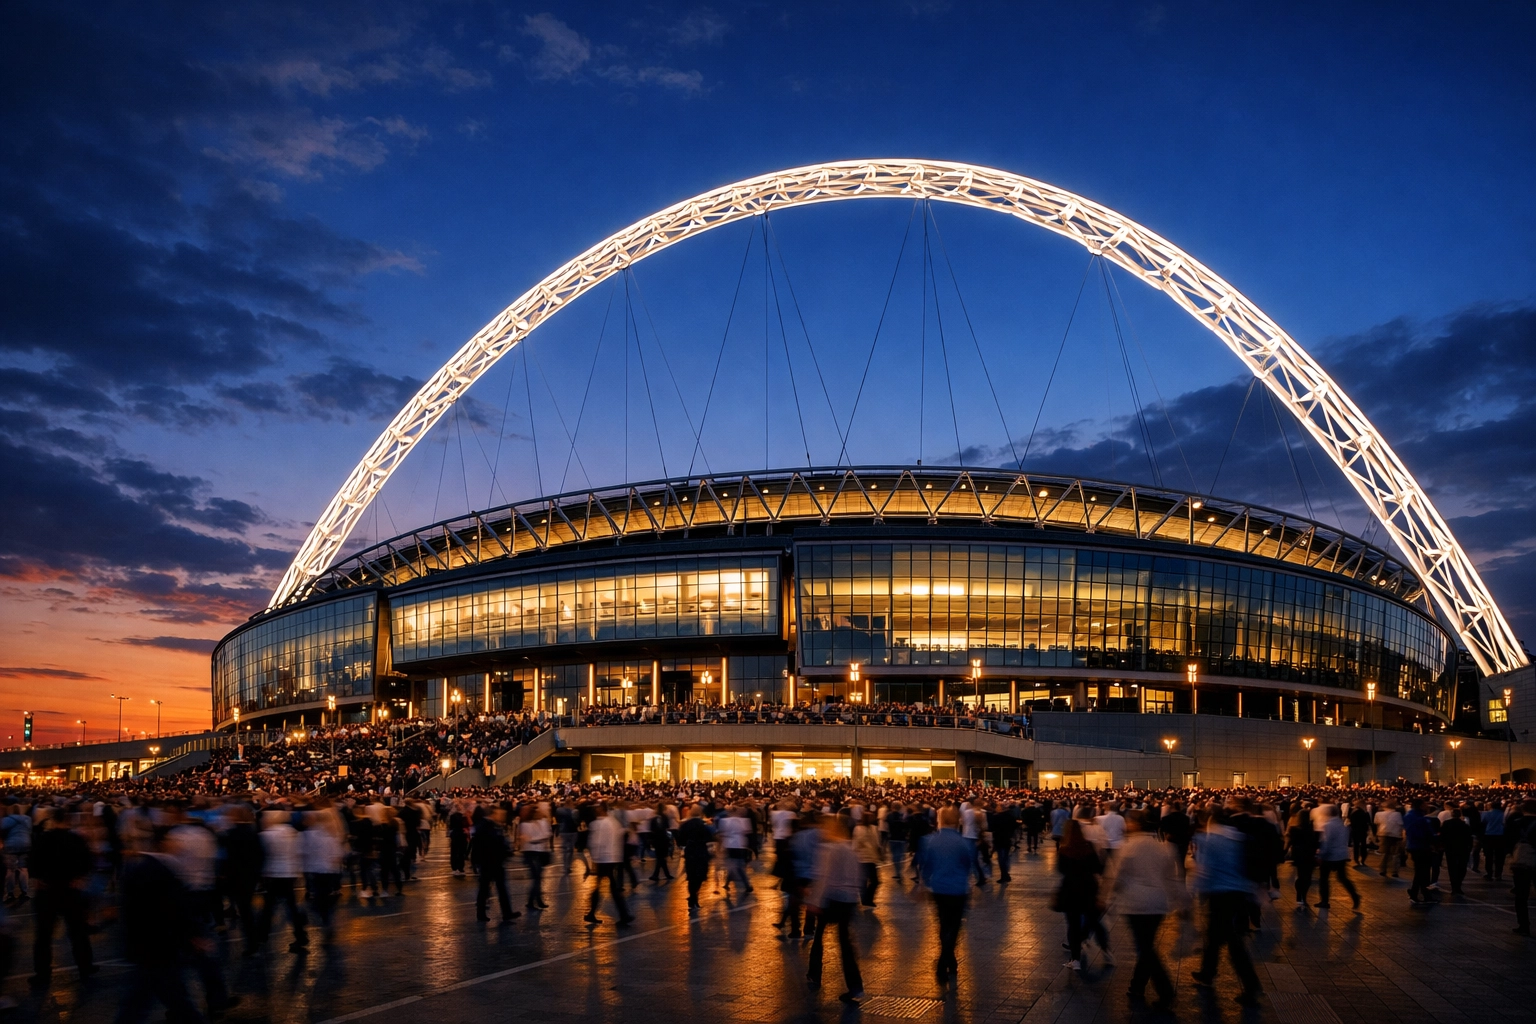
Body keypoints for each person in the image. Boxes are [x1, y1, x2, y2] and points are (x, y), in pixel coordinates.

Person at [114, 832, 200, 1024]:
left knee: (151, 997)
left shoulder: (143, 868)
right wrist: (191, 934)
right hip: (158, 944)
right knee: (150, 998)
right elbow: (172, 907)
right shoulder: (159, 870)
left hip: (149, 944)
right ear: (162, 844)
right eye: (173, 840)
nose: (179, 843)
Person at [1106, 809, 1188, 1008]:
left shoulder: (1127, 847)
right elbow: (1172, 878)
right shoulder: (1164, 848)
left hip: (1136, 904)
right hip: (1158, 903)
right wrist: (1182, 901)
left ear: (1135, 824)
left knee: (1145, 947)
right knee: (1146, 944)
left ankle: (1165, 989)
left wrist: (1107, 897)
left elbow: (1118, 877)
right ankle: (1137, 985)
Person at [1191, 804, 1263, 1007]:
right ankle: (1207, 972)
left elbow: (1205, 869)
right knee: (1215, 936)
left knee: (1232, 942)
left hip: (1219, 893)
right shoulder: (1238, 837)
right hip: (1239, 892)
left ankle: (1250, 984)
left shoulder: (1209, 839)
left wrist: (1193, 894)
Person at [28, 809, 95, 991]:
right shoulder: (76, 840)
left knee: (43, 935)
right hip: (71, 891)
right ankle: (85, 968)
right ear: (67, 820)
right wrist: (80, 879)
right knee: (78, 932)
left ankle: (42, 973)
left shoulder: (43, 839)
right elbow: (88, 861)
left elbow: (32, 862)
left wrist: (37, 879)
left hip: (47, 891)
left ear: (52, 820)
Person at [806, 811, 864, 1004]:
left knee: (819, 936)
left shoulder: (831, 848)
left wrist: (816, 902)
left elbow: (824, 877)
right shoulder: (850, 848)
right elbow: (859, 876)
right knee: (845, 943)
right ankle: (855, 985)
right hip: (848, 900)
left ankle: (815, 973)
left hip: (832, 899)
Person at [920, 806, 974, 986]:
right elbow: (968, 864)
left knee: (943, 925)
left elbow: (926, 865)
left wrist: (924, 883)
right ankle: (946, 961)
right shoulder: (963, 842)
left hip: (939, 888)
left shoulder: (930, 841)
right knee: (955, 926)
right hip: (958, 889)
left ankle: (948, 960)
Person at [1055, 819, 1106, 971]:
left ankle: (1075, 958)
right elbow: (1098, 868)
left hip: (1070, 889)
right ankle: (1087, 939)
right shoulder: (1088, 846)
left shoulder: (1064, 849)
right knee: (1091, 919)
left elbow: (1061, 870)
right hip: (1089, 888)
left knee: (1072, 924)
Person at [255, 808, 308, 954]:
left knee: (269, 906)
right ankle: (300, 934)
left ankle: (262, 934)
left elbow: (263, 855)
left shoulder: (266, 835)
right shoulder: (293, 833)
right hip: (290, 873)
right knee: (290, 905)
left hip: (273, 873)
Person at [585, 802, 633, 926]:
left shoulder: (598, 824)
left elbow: (597, 843)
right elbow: (620, 836)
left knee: (604, 886)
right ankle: (623, 914)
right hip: (612, 858)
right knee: (610, 886)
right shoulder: (614, 822)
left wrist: (594, 861)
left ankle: (594, 913)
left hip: (603, 859)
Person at [470, 807, 519, 923]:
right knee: (485, 888)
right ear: (493, 814)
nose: (502, 816)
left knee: (500, 888)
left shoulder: (496, 826)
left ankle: (506, 913)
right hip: (488, 862)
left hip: (496, 862)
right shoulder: (484, 826)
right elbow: (479, 845)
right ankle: (481, 913)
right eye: (500, 814)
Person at [1315, 804, 1361, 911]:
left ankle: (1325, 900)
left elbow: (1326, 842)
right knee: (1342, 877)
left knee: (1324, 879)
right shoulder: (1342, 824)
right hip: (1341, 854)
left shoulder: (1327, 825)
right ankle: (1354, 895)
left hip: (1330, 855)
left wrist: (1320, 854)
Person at [676, 805, 714, 915]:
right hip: (701, 850)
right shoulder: (704, 825)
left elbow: (680, 839)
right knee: (700, 876)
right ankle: (694, 896)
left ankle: (692, 896)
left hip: (690, 850)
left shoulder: (685, 825)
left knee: (691, 875)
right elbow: (709, 837)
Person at [1404, 798, 1440, 905]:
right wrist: (1434, 839)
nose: (1427, 805)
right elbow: (1424, 833)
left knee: (1420, 872)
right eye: (1425, 803)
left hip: (1414, 846)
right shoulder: (1419, 818)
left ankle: (1417, 893)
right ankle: (1421, 894)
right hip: (1421, 847)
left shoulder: (1411, 816)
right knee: (1423, 872)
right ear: (1420, 805)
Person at [518, 804, 552, 910]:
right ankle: (533, 901)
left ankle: (535, 901)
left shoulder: (537, 823)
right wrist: (538, 838)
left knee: (537, 878)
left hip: (534, 852)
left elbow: (546, 834)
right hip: (534, 852)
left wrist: (532, 839)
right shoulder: (528, 824)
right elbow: (546, 835)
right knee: (537, 878)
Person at [1286, 806, 1318, 908]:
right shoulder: (1312, 829)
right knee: (1307, 877)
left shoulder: (1294, 829)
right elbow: (1315, 843)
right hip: (1309, 854)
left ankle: (1299, 896)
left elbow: (1290, 842)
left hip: (1298, 854)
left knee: (1300, 875)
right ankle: (1303, 895)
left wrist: (1284, 852)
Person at [1441, 805, 1473, 897]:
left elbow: (1442, 835)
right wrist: (1469, 848)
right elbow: (1469, 838)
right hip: (1462, 848)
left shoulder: (1446, 824)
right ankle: (1458, 884)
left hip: (1450, 848)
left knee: (1452, 867)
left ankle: (1454, 885)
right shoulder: (1465, 825)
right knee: (1461, 867)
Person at [1376, 801, 1405, 878]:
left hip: (1383, 834)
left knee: (1384, 853)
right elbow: (1400, 824)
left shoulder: (1379, 814)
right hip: (1396, 835)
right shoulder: (1397, 814)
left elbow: (1376, 823)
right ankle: (1394, 871)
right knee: (1395, 854)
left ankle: (1382, 869)